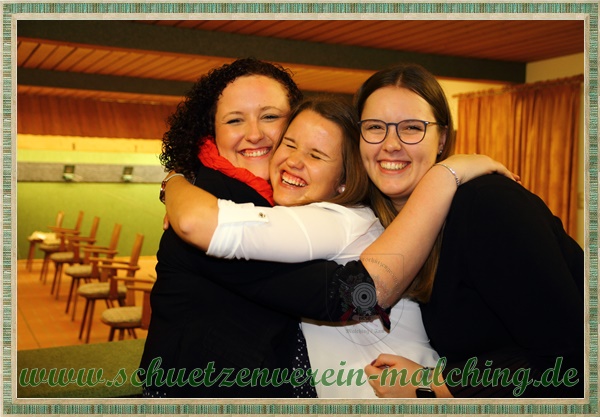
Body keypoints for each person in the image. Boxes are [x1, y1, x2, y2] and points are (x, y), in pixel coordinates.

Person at [164, 62, 582, 398]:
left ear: (441, 139)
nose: (391, 144)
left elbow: (575, 358)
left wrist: (439, 384)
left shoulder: (489, 204)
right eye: (375, 127)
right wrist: (176, 182)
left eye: (412, 127)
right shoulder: (388, 221)